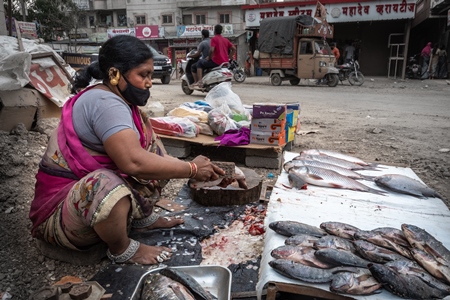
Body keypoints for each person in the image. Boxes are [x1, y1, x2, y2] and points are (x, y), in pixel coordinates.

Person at [29, 35, 225, 265]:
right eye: (143, 75)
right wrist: (191, 168)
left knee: (152, 148)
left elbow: (147, 158)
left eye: (150, 75)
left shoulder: (121, 102)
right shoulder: (105, 102)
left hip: (80, 207)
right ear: (114, 74)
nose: (149, 82)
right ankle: (121, 248)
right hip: (59, 219)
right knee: (104, 182)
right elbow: (133, 163)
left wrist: (186, 167)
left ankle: (142, 218)